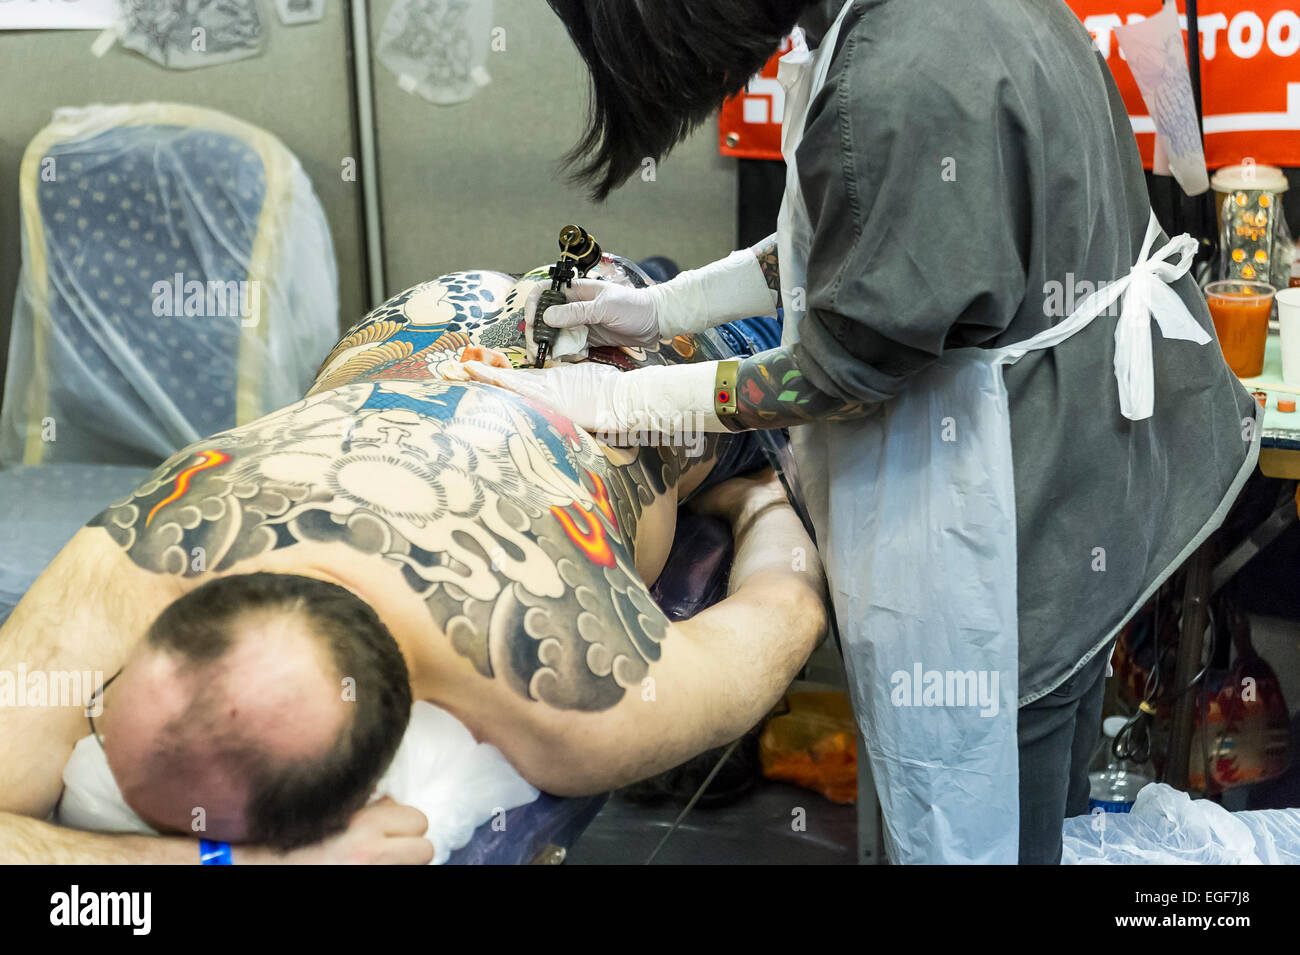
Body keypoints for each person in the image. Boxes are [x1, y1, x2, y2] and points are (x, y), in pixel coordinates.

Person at [459, 0, 1261, 863]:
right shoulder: (906, 31)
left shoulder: (901, 71)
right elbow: (849, 233)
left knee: (994, 817)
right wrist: (664, 305)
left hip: (1017, 529)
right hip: (1083, 488)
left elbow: (844, 360)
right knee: (1044, 781)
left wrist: (626, 401)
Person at [0, 262, 827, 864]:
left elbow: (789, 608)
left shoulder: (573, 677)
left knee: (810, 305)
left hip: (663, 374)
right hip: (428, 320)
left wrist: (760, 501)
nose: (85, 756)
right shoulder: (124, 563)